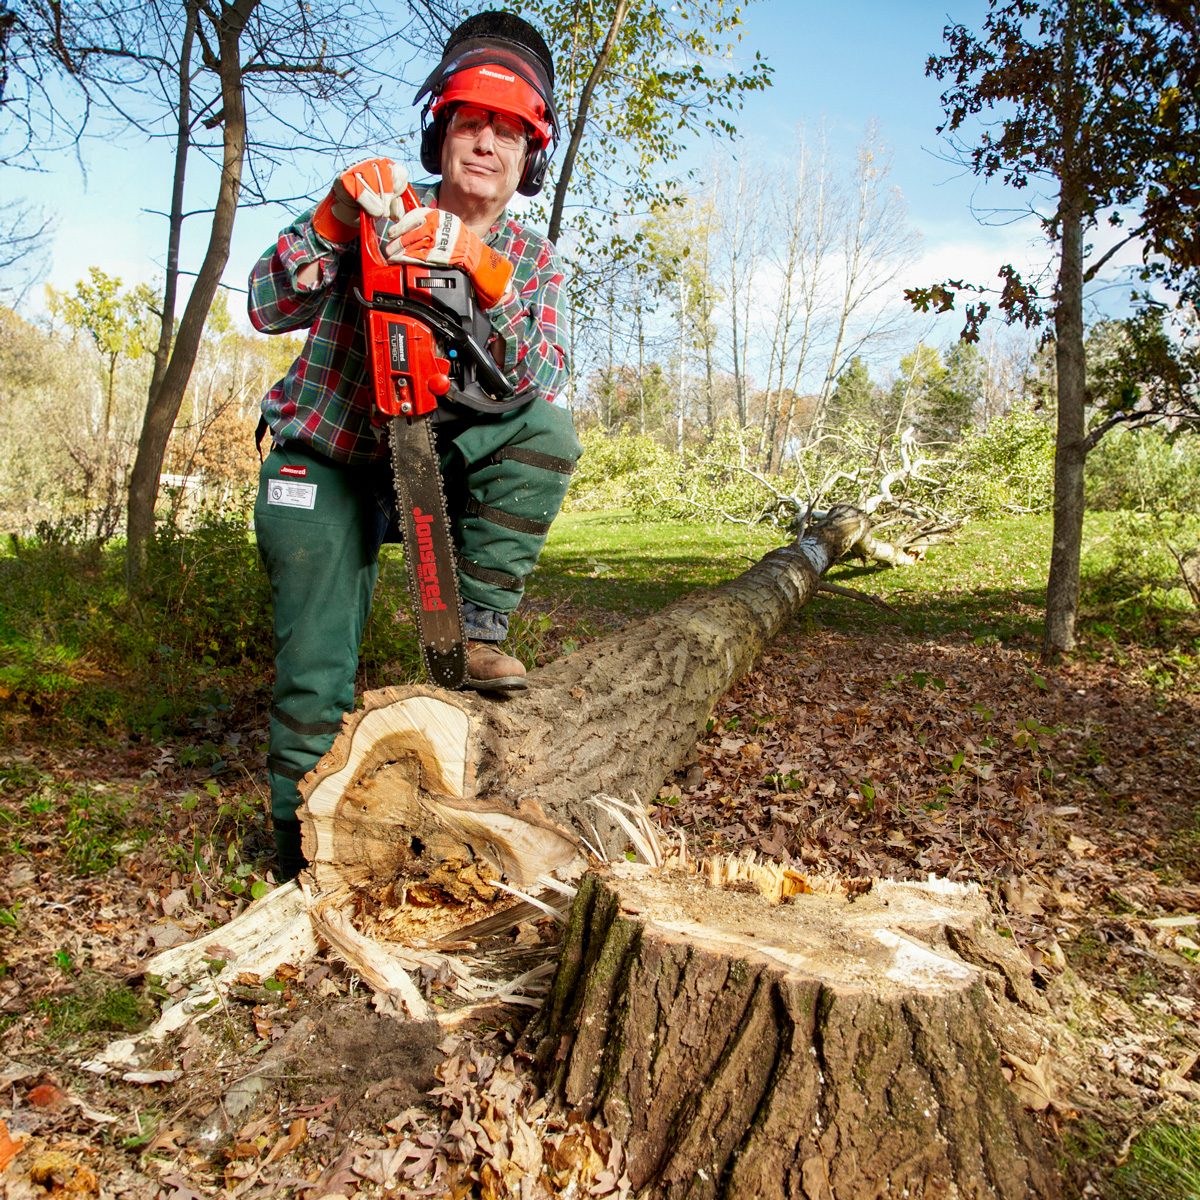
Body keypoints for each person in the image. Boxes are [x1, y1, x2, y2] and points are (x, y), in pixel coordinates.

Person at [247, 11, 581, 880]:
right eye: (473, 122)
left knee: (548, 427)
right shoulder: (379, 211)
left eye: (511, 132)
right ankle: (298, 858)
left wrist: (482, 269)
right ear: (443, 131)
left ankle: (477, 624)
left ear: (530, 156)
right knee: (316, 675)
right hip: (325, 455)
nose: (488, 144)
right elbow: (264, 304)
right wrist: (328, 222)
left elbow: (540, 371)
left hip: (437, 465)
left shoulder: (530, 258)